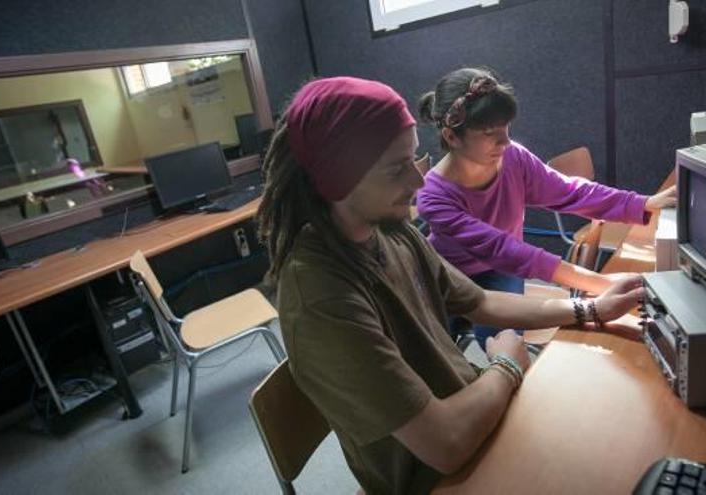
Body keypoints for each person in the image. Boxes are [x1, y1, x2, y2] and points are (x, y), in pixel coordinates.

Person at [256, 76, 645, 494]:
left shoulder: (390, 231)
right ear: (336, 177)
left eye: (414, 160)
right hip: (438, 476)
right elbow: (446, 444)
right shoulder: (320, 296)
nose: (418, 183)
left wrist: (590, 308)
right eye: (396, 169)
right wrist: (507, 366)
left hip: (478, 417)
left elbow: (480, 301)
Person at [415, 67, 675, 350]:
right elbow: (503, 249)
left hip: (501, 270)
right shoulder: (433, 195)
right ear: (452, 138)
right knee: (439, 351)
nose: (505, 141)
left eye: (506, 129)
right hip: (449, 274)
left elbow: (570, 192)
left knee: (504, 343)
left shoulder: (513, 157)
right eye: (490, 133)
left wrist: (641, 203)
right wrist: (599, 283)